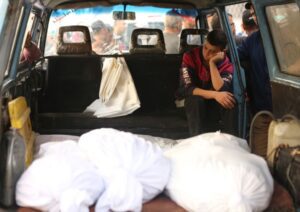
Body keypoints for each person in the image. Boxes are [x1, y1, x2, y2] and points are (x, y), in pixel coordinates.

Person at [176, 29, 236, 136]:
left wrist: (212, 63)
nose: (207, 53)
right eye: (205, 47)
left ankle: (230, 140)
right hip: (193, 104)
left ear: (221, 52)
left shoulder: (226, 63)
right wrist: (215, 94)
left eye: (212, 51)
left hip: (213, 106)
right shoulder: (190, 56)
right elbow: (188, 89)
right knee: (195, 100)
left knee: (229, 100)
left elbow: (221, 89)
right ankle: (196, 139)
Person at [238, 2, 272, 116]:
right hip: (262, 107)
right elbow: (234, 56)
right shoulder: (251, 41)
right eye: (253, 14)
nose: (255, 17)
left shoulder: (287, 35)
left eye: (257, 12)